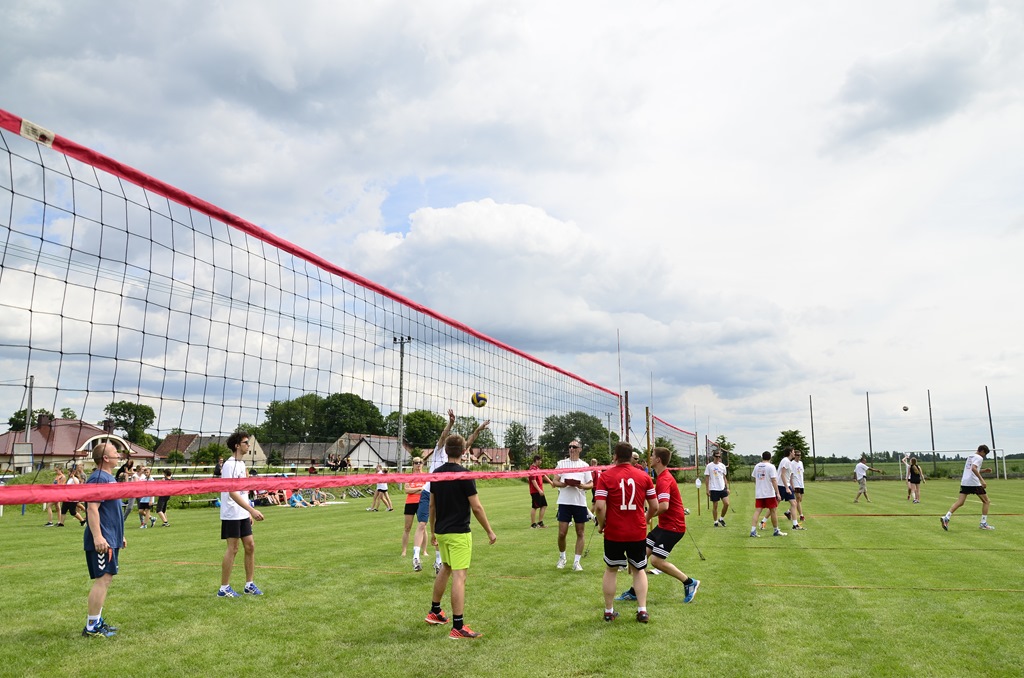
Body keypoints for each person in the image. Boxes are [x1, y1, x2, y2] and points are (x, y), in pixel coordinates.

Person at [425, 434, 497, 639]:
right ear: (464, 451)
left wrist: (432, 531)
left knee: (446, 567)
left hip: (442, 531)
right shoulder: (465, 475)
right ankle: (458, 626)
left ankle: (435, 611)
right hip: (458, 533)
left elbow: (432, 505)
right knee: (459, 576)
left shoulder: (436, 474)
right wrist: (489, 531)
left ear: (446, 451)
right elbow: (476, 507)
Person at [615, 447, 700, 605]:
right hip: (664, 526)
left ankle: (689, 582)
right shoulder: (661, 477)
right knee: (639, 556)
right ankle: (634, 592)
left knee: (656, 561)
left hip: (673, 527)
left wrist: (644, 517)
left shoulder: (664, 479)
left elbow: (664, 506)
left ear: (658, 460)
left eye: (652, 455)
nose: (650, 458)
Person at [418, 410, 489, 575]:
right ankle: (427, 556)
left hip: (446, 491)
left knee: (445, 528)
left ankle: (439, 562)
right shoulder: (439, 450)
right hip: (431, 492)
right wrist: (450, 423)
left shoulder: (457, 452)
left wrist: (479, 429)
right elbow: (443, 437)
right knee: (430, 526)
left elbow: (468, 442)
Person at [595, 442, 658, 623]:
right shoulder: (644, 476)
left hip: (614, 531)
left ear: (615, 456)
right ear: (631, 457)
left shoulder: (605, 477)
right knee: (639, 570)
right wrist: (644, 519)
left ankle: (609, 611)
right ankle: (642, 610)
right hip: (637, 532)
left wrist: (602, 524)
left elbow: (599, 506)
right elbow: (654, 506)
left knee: (611, 569)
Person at [81, 442, 126, 638]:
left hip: (111, 537)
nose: (119, 455)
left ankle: (96, 621)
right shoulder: (98, 477)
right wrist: (98, 536)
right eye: (115, 453)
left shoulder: (109, 478)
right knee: (103, 579)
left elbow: (111, 511)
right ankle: (91, 627)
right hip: (102, 539)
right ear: (106, 458)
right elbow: (92, 508)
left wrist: (119, 535)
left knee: (106, 579)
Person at [217, 432, 266, 598]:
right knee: (233, 548)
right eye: (245, 442)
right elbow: (232, 492)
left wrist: (248, 511)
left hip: (242, 512)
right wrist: (252, 510)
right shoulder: (229, 465)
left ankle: (249, 584)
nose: (248, 445)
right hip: (231, 513)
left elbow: (243, 492)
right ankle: (224, 588)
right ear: (237, 445)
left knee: (250, 546)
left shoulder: (241, 465)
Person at [552, 440, 593, 571]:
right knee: (562, 533)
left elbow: (591, 483)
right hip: (564, 502)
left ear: (580, 449)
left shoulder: (584, 465)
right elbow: (554, 481)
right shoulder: (561, 463)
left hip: (579, 503)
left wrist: (581, 485)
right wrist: (563, 484)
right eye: (569, 446)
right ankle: (562, 557)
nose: (571, 448)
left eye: (574, 447)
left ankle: (577, 562)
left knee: (580, 532)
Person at [941, 445, 995, 531]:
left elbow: (971, 469)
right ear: (982, 451)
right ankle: (983, 523)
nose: (984, 456)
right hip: (973, 482)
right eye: (984, 454)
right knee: (986, 501)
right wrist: (982, 480)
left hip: (965, 481)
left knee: (960, 502)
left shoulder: (970, 456)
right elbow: (973, 468)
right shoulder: (979, 458)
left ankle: (946, 517)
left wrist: (984, 470)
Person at [750, 451, 785, 537]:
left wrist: (759, 486)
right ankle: (776, 530)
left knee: (757, 511)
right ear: (770, 458)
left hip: (759, 493)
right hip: (769, 493)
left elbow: (755, 478)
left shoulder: (757, 466)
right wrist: (778, 493)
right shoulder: (771, 466)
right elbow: (774, 480)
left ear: (762, 457)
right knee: (773, 511)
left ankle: (753, 531)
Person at [401, 458, 426, 559]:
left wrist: (414, 490)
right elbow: (407, 490)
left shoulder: (426, 476)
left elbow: (426, 491)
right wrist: (419, 488)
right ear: (413, 464)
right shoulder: (409, 477)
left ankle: (424, 551)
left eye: (420, 462)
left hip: (422, 502)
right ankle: (404, 551)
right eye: (416, 463)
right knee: (407, 528)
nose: (418, 464)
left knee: (423, 527)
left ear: (422, 464)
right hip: (410, 503)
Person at [776, 449, 802, 530]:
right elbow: (782, 475)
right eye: (794, 452)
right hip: (782, 486)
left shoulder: (788, 462)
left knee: (794, 503)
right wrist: (787, 487)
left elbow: (788, 476)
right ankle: (763, 521)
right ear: (790, 452)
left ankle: (795, 525)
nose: (795, 453)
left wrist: (789, 485)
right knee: (774, 505)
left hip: (786, 485)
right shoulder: (785, 461)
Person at [704, 451, 730, 527]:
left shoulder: (722, 466)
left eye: (719, 457)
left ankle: (721, 519)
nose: (718, 458)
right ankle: (715, 521)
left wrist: (727, 487)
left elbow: (724, 477)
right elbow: (707, 478)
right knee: (715, 506)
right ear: (713, 457)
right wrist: (707, 489)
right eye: (716, 456)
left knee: (726, 503)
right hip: (714, 488)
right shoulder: (709, 466)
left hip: (722, 488)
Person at [528, 454, 548, 529]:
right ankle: (533, 524)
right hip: (535, 491)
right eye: (540, 460)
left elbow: (544, 475)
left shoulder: (537, 469)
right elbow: (533, 481)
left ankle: (540, 523)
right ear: (536, 460)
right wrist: (539, 490)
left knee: (544, 505)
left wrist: (551, 482)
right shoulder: (532, 470)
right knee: (535, 507)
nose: (541, 462)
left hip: (540, 491)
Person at [791, 450, 806, 522]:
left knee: (799, 500)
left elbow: (801, 473)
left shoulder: (801, 463)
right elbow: (791, 475)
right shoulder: (792, 463)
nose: (798, 456)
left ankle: (788, 512)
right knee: (798, 498)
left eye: (799, 455)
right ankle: (801, 515)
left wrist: (802, 483)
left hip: (801, 483)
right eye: (797, 455)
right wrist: (792, 485)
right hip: (795, 483)